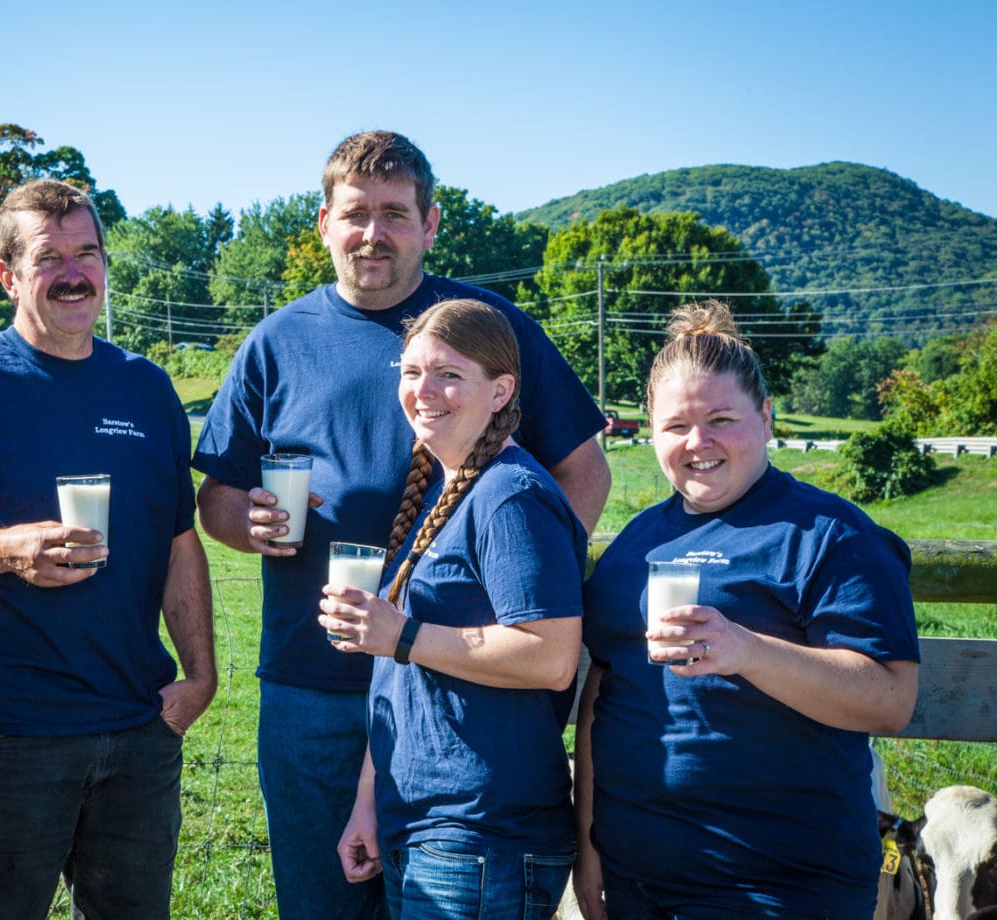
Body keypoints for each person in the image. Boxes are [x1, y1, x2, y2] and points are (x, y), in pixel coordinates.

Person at [192, 129, 609, 918]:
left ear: (431, 222)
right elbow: (215, 497)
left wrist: (520, 591)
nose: (372, 233)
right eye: (355, 214)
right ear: (323, 224)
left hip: (455, 686)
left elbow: (583, 470)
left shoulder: (485, 325)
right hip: (309, 679)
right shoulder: (276, 343)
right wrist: (248, 521)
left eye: (394, 213)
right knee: (321, 900)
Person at [0, 178, 216, 920]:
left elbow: (177, 538)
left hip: (137, 727)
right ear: (6, 274)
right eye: (47, 256)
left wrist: (201, 678)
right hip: (4, 736)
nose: (72, 272)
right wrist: (4, 551)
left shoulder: (145, 388)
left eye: (86, 252)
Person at [573, 300, 920, 920]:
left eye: (721, 419)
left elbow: (890, 700)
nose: (697, 443)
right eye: (676, 425)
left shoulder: (829, 535)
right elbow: (606, 691)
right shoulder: (635, 543)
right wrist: (589, 844)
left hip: (776, 889)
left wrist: (746, 650)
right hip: (636, 881)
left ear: (764, 416)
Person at [320, 299, 585, 919]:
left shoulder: (510, 495)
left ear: (501, 392)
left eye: (448, 375)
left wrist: (404, 633)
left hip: (484, 835)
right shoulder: (446, 487)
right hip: (421, 825)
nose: (423, 391)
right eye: (411, 373)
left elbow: (552, 657)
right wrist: (370, 799)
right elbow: (398, 675)